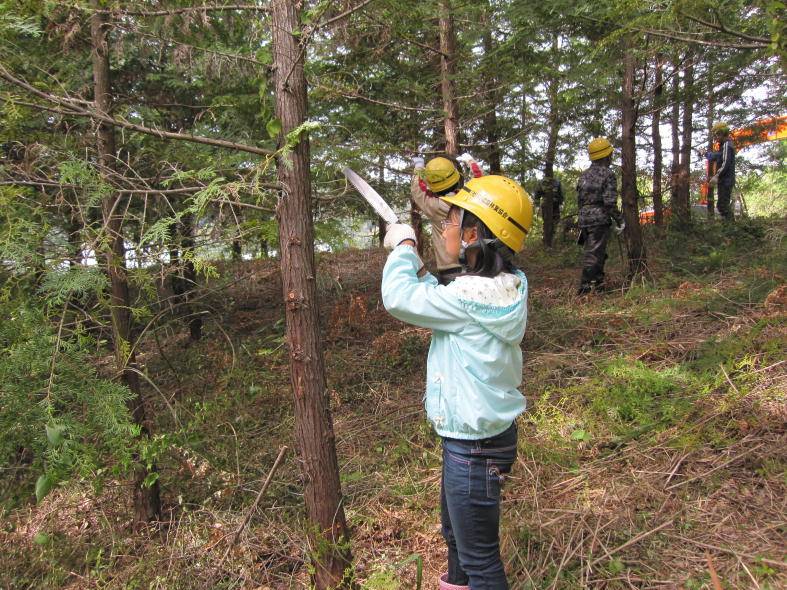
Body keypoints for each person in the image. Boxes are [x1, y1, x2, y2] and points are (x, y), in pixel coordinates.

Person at [380, 175, 533, 590]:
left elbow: (398, 298)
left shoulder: (467, 298)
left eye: (450, 223)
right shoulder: (503, 287)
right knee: (459, 542)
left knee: (480, 560)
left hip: (473, 449)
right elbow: (447, 298)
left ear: (471, 236)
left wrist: (403, 248)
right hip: (480, 441)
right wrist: (423, 268)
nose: (443, 230)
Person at [411, 154, 484, 284]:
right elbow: (480, 182)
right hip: (474, 266)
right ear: (456, 180)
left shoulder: (433, 206)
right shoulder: (467, 200)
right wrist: (471, 162)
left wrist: (419, 168)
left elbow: (417, 190)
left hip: (447, 270)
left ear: (432, 186)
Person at [576, 137, 623, 295]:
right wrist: (620, 219)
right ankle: (585, 289)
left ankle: (598, 284)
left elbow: (580, 201)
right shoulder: (608, 174)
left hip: (584, 219)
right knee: (594, 254)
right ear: (606, 156)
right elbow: (609, 203)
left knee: (597, 253)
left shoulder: (584, 175)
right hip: (599, 219)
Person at [706, 122, 736, 220]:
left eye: (717, 134)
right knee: (722, 205)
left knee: (722, 206)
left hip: (726, 181)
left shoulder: (727, 145)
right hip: (724, 180)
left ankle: (731, 227)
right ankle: (730, 226)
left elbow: (726, 162)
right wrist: (707, 154)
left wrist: (717, 175)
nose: (716, 137)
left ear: (723, 133)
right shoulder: (724, 146)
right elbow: (718, 156)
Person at [533, 174, 564, 244]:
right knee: (546, 222)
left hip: (555, 205)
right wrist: (537, 206)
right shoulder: (541, 182)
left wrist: (561, 204)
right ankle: (545, 240)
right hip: (546, 205)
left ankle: (552, 237)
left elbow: (560, 194)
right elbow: (537, 195)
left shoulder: (557, 182)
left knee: (556, 221)